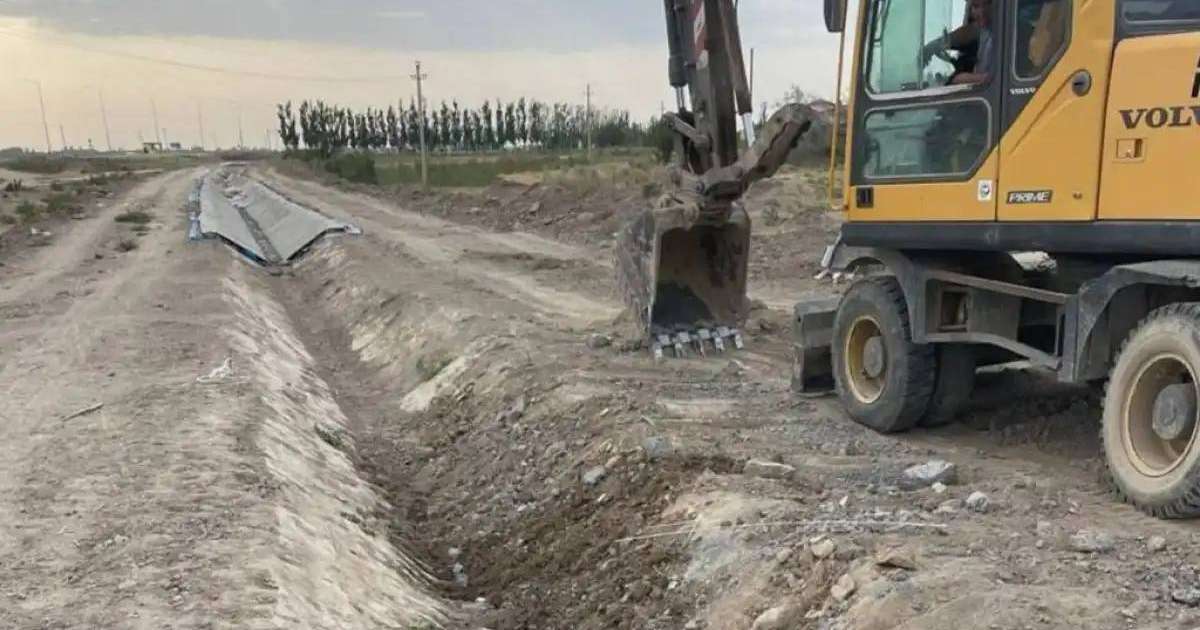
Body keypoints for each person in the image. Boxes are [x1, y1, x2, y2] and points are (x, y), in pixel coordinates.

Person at [923, 0, 994, 86]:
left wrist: (959, 79)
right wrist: (933, 46)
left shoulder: (1005, 32)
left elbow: (991, 78)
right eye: (976, 6)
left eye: (988, 4)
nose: (982, 12)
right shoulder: (984, 29)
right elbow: (967, 33)